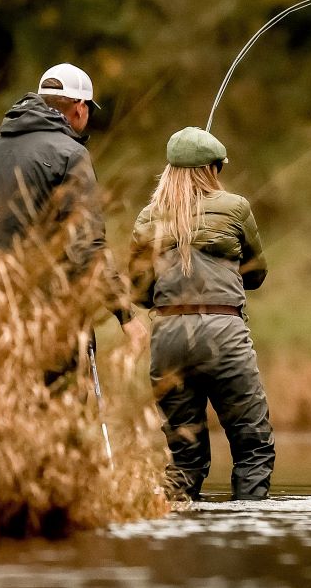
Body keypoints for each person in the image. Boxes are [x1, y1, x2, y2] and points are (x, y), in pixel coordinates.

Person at [0, 62, 135, 375]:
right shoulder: (70, 154)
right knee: (54, 409)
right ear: (79, 108)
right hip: (49, 315)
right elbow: (87, 248)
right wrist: (126, 317)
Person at [129, 126, 275, 501]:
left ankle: (179, 531)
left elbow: (139, 292)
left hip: (168, 339)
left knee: (185, 459)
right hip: (223, 334)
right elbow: (256, 274)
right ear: (212, 170)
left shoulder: (147, 218)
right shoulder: (236, 207)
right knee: (252, 446)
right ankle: (248, 529)